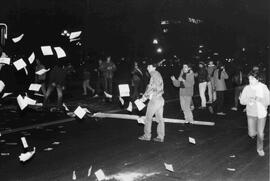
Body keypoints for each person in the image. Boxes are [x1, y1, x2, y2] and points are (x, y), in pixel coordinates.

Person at [239, 70, 270, 156]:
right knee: (252, 133)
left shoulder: (263, 87)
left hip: (261, 114)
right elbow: (242, 101)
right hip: (251, 114)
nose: (250, 81)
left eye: (252, 79)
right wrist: (249, 100)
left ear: (257, 79)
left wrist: (259, 99)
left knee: (260, 133)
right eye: (249, 79)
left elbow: (268, 101)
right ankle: (254, 133)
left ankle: (260, 149)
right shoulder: (246, 88)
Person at [138, 62, 165, 142]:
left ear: (154, 68)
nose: (147, 68)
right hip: (160, 99)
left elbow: (151, 87)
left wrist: (143, 98)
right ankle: (160, 136)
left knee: (148, 118)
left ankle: (147, 136)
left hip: (154, 100)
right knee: (160, 119)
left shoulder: (153, 74)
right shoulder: (158, 74)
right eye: (147, 67)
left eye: (149, 67)